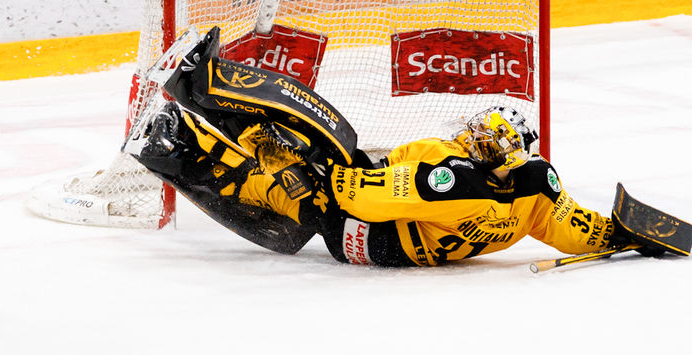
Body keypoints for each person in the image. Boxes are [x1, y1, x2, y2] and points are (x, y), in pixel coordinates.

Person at [129, 29, 657, 268]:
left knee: (313, 142)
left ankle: (193, 93)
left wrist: (330, 173)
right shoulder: (532, 192)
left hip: (364, 230)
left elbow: (370, 197)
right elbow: (574, 227)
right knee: (297, 169)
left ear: (494, 156)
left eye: (482, 138)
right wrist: (622, 235)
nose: (471, 136)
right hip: (392, 230)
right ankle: (179, 134)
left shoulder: (455, 179)